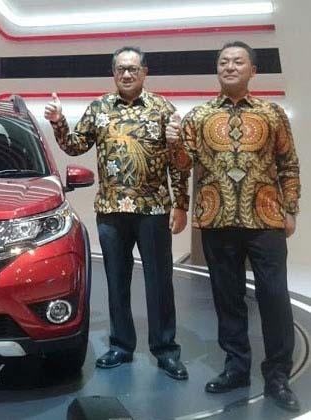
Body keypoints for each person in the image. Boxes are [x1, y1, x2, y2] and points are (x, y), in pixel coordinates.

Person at [167, 41, 301, 412]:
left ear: (252, 70)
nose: (229, 66)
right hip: (217, 218)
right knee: (227, 299)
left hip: (265, 218)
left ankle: (277, 375)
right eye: (223, 61)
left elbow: (289, 164)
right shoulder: (199, 116)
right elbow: (182, 165)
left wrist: (290, 209)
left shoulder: (272, 114)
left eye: (238, 61)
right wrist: (174, 144)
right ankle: (237, 367)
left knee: (274, 297)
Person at [44, 46, 189, 380]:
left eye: (133, 69)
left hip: (153, 209)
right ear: (113, 73)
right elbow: (75, 146)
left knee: (159, 282)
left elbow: (179, 164)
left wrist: (181, 203)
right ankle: (121, 345)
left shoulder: (163, 109)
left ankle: (165, 350)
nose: (126, 74)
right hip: (111, 210)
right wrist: (58, 122)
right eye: (121, 69)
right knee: (116, 280)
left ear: (145, 72)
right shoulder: (99, 108)